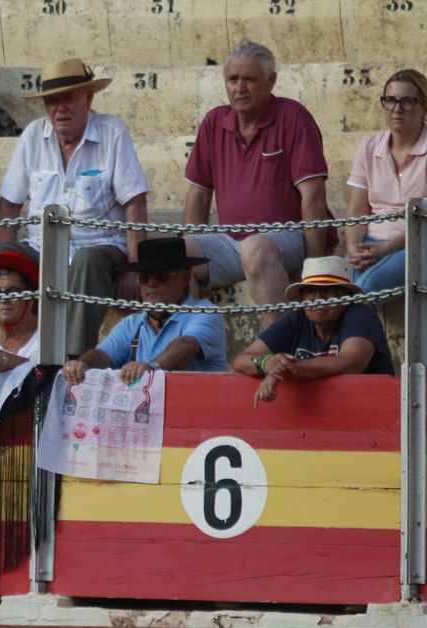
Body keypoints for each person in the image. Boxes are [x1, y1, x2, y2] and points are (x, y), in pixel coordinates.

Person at [0, 58, 148, 358]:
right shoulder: (32, 136)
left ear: (88, 98)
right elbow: (9, 203)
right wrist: (5, 263)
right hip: (39, 248)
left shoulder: (112, 132)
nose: (60, 108)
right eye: (52, 101)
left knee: (87, 261)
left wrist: (132, 270)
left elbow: (135, 202)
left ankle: (71, 360)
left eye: (68, 98)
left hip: (100, 247)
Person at [183, 41, 329, 326]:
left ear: (271, 81)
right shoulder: (214, 122)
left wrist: (313, 268)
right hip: (230, 243)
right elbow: (198, 197)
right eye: (233, 79)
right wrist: (188, 265)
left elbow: (313, 197)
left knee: (255, 248)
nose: (240, 88)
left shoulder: (294, 118)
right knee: (170, 253)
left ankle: (279, 349)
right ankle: (178, 354)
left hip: (288, 241)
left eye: (249, 79)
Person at [63, 237, 227, 385]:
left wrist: (152, 368)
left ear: (184, 280)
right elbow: (103, 354)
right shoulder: (132, 323)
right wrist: (83, 364)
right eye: (144, 277)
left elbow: (187, 345)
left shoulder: (205, 312)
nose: (151, 284)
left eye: (161, 277)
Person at [233, 257, 394, 404]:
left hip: (369, 410)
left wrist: (286, 369)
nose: (317, 299)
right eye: (310, 291)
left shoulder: (361, 314)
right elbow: (241, 360)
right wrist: (265, 363)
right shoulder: (296, 317)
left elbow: (350, 363)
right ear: (302, 297)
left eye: (327, 291)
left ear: (345, 295)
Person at [345, 68, 427, 297]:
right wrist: (353, 248)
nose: (397, 109)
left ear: (424, 108)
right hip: (371, 242)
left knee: (366, 287)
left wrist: (384, 250)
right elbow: (356, 210)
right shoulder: (369, 147)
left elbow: (424, 219)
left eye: (407, 102)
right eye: (390, 100)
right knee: (338, 286)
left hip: (417, 242)